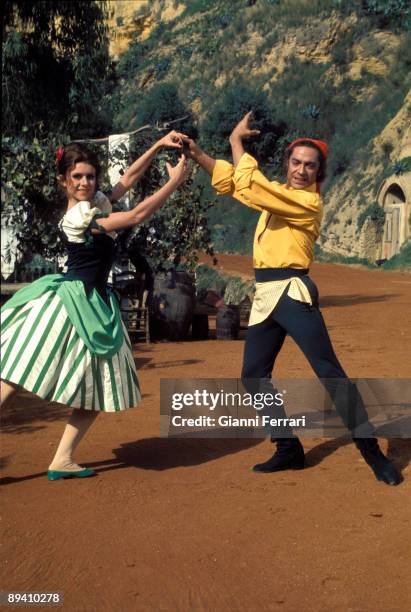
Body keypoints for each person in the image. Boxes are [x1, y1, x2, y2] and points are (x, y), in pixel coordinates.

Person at [181, 113, 402, 486]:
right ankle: (288, 449)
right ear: (287, 164)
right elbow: (238, 186)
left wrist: (237, 142)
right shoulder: (277, 198)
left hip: (292, 293)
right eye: (296, 163)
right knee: (253, 376)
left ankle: (373, 454)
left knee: (330, 374)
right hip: (266, 295)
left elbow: (251, 187)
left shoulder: (307, 203)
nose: (301, 170)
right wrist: (198, 152)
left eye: (310, 166)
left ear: (319, 172)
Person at [1, 132, 189, 480]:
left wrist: (158, 145)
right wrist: (174, 183)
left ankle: (62, 459)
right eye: (77, 177)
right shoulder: (78, 217)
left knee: (97, 383)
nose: (85, 182)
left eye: (89, 176)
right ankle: (61, 458)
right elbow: (135, 215)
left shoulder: (95, 201)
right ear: (64, 181)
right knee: (15, 373)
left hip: (93, 301)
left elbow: (128, 179)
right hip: (72, 300)